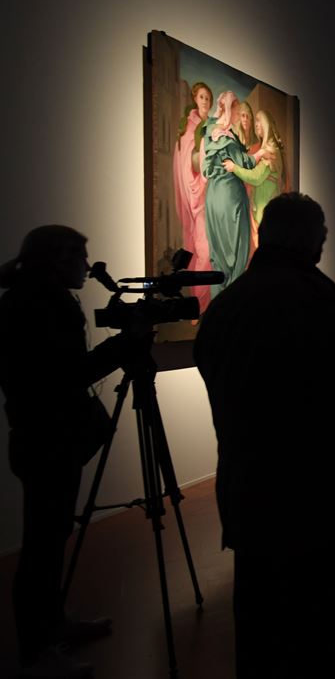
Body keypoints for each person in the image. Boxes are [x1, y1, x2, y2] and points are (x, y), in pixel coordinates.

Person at [194, 192, 335, 679]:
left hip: (246, 490)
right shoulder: (314, 301)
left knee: (256, 628)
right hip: (309, 494)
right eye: (320, 231)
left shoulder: (225, 307)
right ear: (304, 237)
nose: (324, 240)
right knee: (314, 629)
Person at [0, 226, 132, 678]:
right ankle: (37, 653)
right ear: (58, 260)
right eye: (80, 256)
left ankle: (53, 626)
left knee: (51, 539)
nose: (86, 265)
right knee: (41, 547)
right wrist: (123, 345)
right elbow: (66, 375)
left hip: (42, 437)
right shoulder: (40, 305)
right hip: (48, 439)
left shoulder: (26, 298)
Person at [201, 91, 265, 298]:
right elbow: (245, 162)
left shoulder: (210, 130)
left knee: (218, 252)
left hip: (213, 196)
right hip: (230, 196)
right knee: (235, 250)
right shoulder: (226, 137)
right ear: (231, 108)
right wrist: (262, 153)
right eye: (238, 110)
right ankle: (231, 304)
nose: (240, 115)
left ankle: (218, 305)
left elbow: (205, 168)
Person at [172, 81, 215, 313]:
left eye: (208, 97)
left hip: (211, 193)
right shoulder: (190, 126)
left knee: (209, 250)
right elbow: (188, 159)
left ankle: (204, 305)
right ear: (194, 99)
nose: (205, 101)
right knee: (202, 248)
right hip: (198, 193)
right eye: (201, 97)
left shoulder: (213, 124)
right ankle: (199, 305)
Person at [223, 109, 284, 253]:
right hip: (263, 208)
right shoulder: (267, 148)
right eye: (255, 120)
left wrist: (234, 168)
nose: (256, 124)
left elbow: (256, 177)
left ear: (266, 124)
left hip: (264, 209)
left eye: (259, 120)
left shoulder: (270, 149)